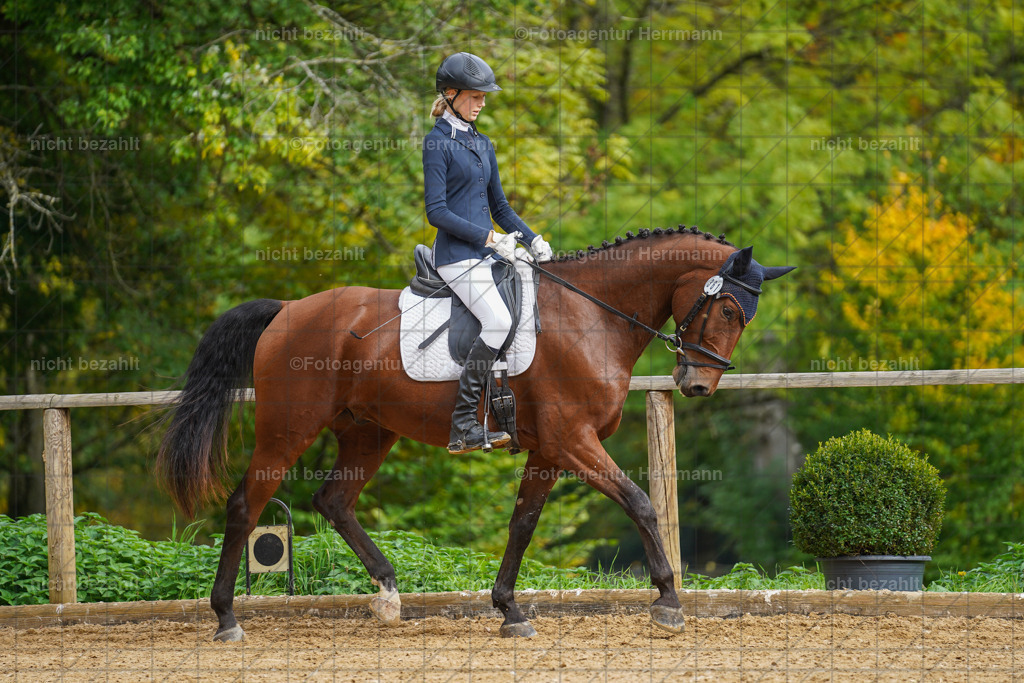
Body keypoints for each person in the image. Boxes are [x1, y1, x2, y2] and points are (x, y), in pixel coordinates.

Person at [423, 52, 554, 454]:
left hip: (487, 255)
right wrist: (490, 239)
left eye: (485, 96)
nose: (482, 102)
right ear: (450, 93)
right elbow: (437, 211)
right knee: (496, 320)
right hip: (456, 258)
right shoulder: (436, 143)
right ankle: (463, 424)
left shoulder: (483, 143)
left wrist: (531, 238)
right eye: (475, 96)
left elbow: (500, 207)